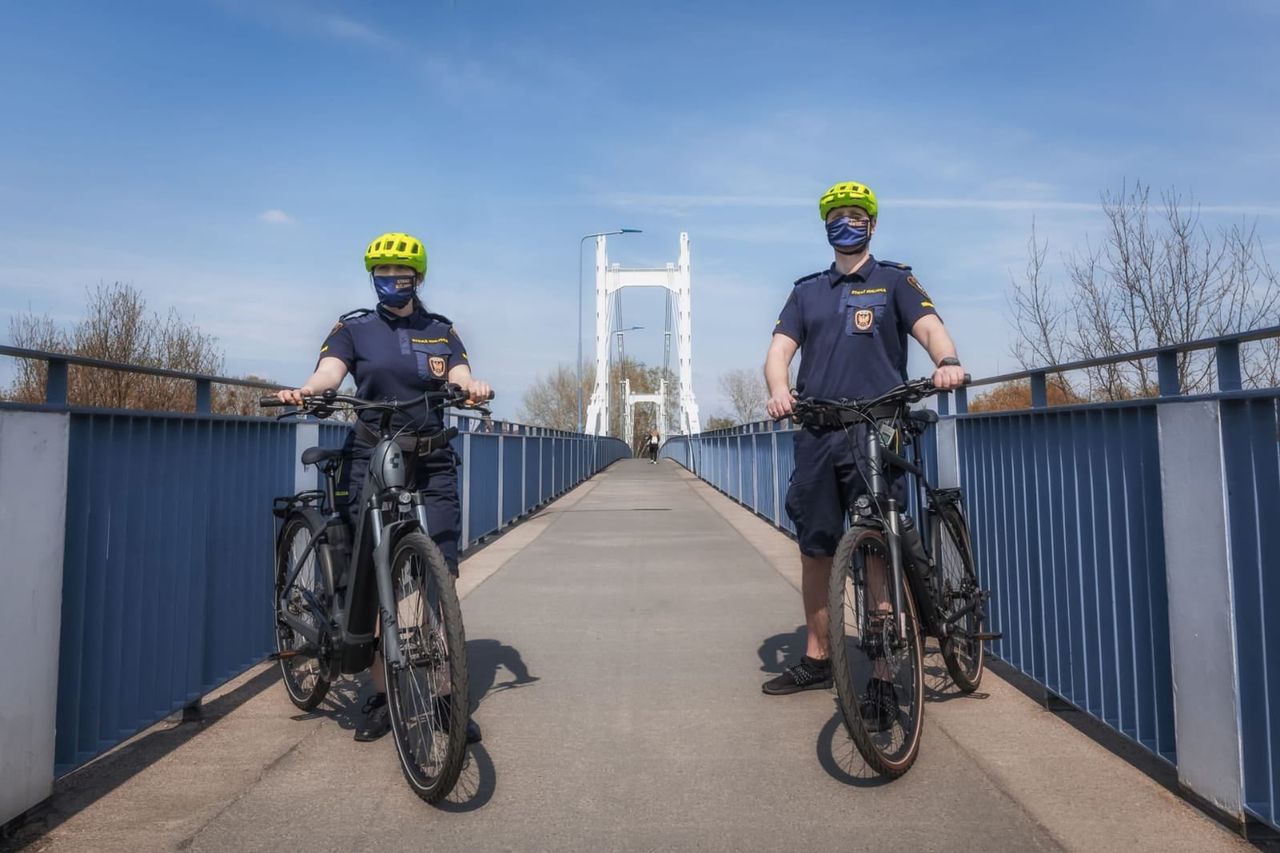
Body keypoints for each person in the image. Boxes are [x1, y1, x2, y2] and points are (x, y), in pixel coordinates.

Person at [760, 182, 966, 722]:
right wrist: (780, 390)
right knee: (815, 547)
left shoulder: (894, 279)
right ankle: (818, 657)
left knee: (877, 544)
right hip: (818, 432)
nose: (844, 223)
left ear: (871, 224)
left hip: (879, 427)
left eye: (854, 216)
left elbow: (929, 327)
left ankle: (880, 673)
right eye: (836, 216)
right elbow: (779, 351)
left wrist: (946, 361)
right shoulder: (807, 292)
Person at [277, 231, 491, 744]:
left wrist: (471, 385)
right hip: (369, 455)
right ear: (372, 277)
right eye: (384, 275)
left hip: (432, 456)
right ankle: (380, 693)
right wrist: (309, 391)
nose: (393, 283)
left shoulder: (440, 331)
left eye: (402, 276)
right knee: (368, 574)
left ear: (418, 278)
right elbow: (329, 373)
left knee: (440, 570)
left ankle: (444, 698)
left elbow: (460, 371)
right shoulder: (354, 329)